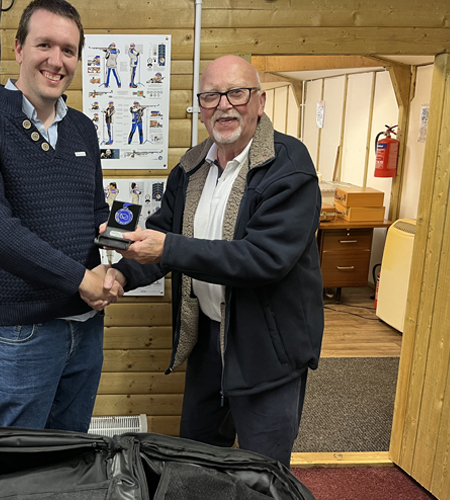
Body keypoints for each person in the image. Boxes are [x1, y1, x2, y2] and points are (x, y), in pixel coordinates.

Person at [103, 55, 324, 468]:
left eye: (236, 92)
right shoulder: (190, 169)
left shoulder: (290, 168)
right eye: (210, 96)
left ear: (259, 101)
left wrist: (167, 248)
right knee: (197, 463)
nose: (223, 105)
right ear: (200, 109)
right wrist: (120, 273)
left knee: (263, 473)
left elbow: (263, 259)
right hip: (208, 344)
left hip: (267, 350)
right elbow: (161, 236)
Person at [0, 0, 123, 433]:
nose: (56, 60)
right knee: (15, 469)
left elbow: (98, 214)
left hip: (86, 327)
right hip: (22, 335)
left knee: (71, 455)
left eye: (68, 50)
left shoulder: (83, 128)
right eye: (45, 44)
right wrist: (82, 279)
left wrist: (113, 267)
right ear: (18, 48)